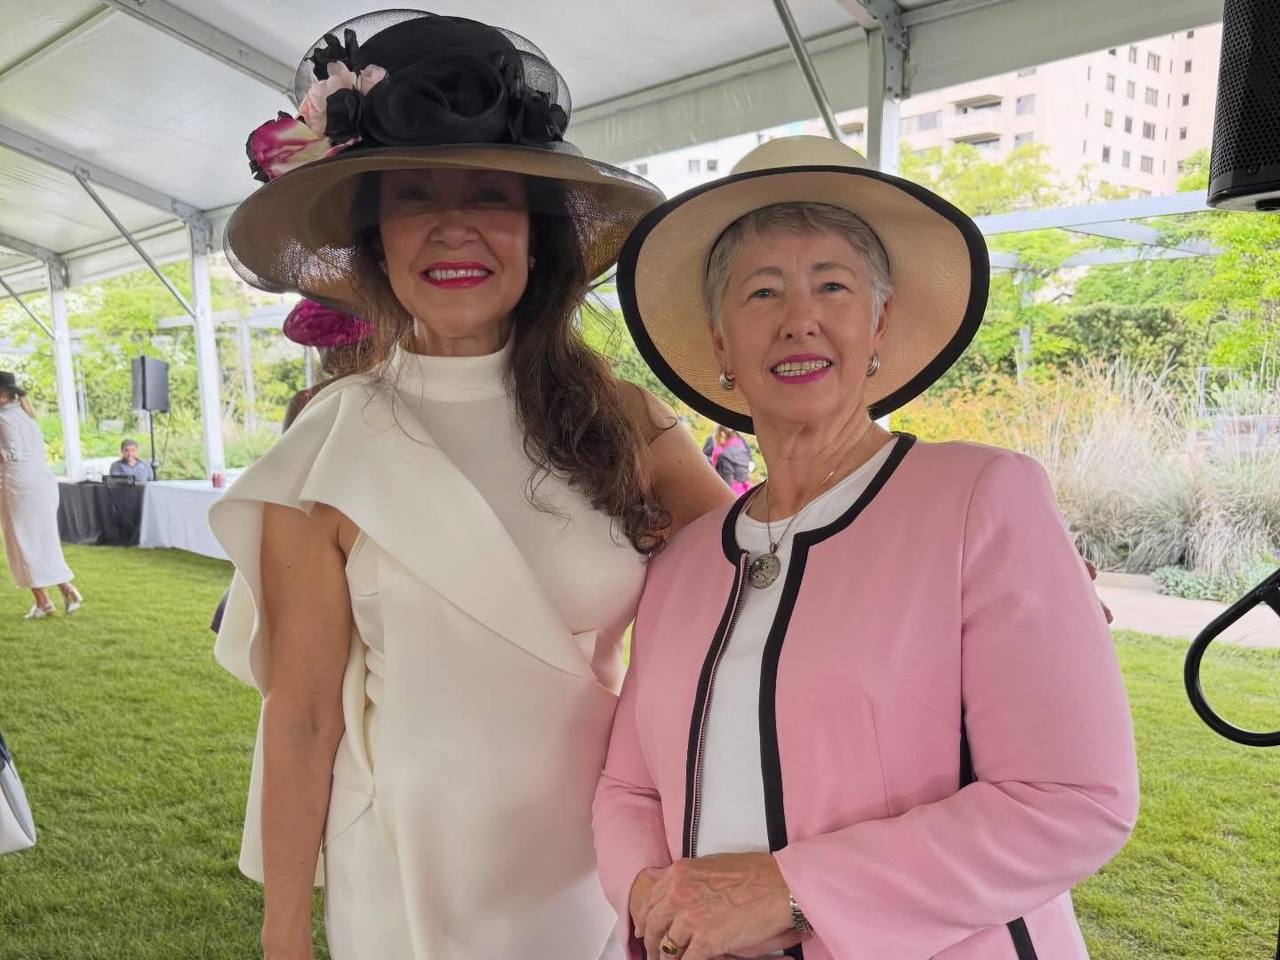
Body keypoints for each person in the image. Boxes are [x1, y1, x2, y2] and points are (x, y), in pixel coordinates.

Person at [208, 12, 730, 960]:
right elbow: (303, 717)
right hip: (401, 864)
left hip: (595, 851)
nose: (453, 227)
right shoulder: (327, 445)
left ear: (538, 233)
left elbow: (751, 600)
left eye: (490, 194)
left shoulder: (627, 421)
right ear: (375, 237)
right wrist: (284, 930)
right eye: (414, 195)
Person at [593, 136, 1139, 960]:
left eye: (833, 286)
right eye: (762, 291)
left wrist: (789, 890)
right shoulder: (683, 564)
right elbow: (628, 787)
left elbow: (1073, 797)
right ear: (721, 344)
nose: (799, 319)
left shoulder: (982, 500)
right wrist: (649, 897)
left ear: (878, 324)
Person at [0, 372, 82, 618]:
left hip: (20, 488)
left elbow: (11, 454)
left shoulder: (3, 419)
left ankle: (48, 599)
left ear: (2, 396)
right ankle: (59, 592)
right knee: (41, 542)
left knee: (23, 545)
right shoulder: (26, 417)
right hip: (40, 485)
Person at [704, 425, 752, 496]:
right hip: (745, 492)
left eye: (715, 433)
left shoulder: (724, 456)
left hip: (733, 495)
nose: (714, 436)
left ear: (722, 434)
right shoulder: (741, 444)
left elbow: (725, 486)